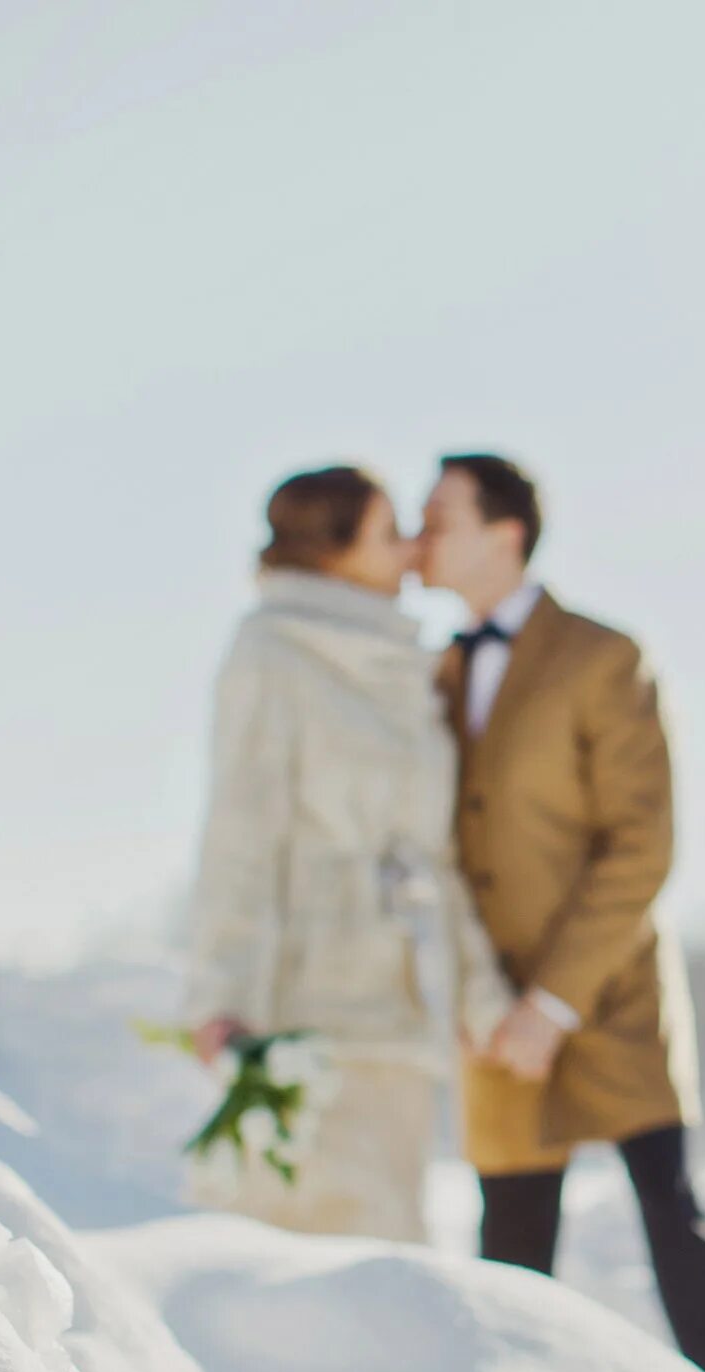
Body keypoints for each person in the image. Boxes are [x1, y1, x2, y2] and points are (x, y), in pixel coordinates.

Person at [420, 451, 705, 1372]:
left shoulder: (604, 657)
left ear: (504, 533)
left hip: (607, 992)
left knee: (671, 1220)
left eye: (438, 515)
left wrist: (555, 1002)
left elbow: (641, 843)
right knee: (511, 1246)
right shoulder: (434, 674)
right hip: (491, 1001)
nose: (420, 533)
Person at [181, 465, 516, 1241]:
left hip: (400, 1000)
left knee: (394, 1246)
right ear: (332, 555)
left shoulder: (409, 664)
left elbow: (433, 852)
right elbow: (241, 829)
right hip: (307, 1011)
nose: (409, 549)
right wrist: (220, 997)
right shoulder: (272, 652)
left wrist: (481, 995)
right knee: (319, 1261)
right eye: (388, 533)